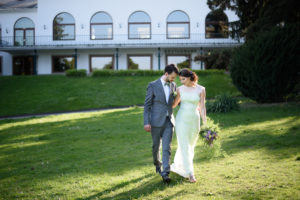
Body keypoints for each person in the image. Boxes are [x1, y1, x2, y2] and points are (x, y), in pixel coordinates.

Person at [144, 64, 179, 183]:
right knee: (155, 147)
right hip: (155, 122)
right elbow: (147, 106)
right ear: (166, 74)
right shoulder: (153, 85)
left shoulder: (173, 85)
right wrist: (146, 122)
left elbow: (175, 102)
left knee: (167, 148)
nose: (174, 80)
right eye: (172, 77)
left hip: (169, 121)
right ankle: (157, 165)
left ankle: (165, 172)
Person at [170, 68, 207, 183]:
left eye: (183, 79)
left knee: (191, 145)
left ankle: (182, 165)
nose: (181, 81)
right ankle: (190, 173)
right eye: (180, 79)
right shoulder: (180, 89)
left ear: (190, 77)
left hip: (194, 120)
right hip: (182, 120)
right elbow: (174, 104)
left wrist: (205, 123)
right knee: (184, 144)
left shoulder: (201, 89)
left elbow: (202, 107)